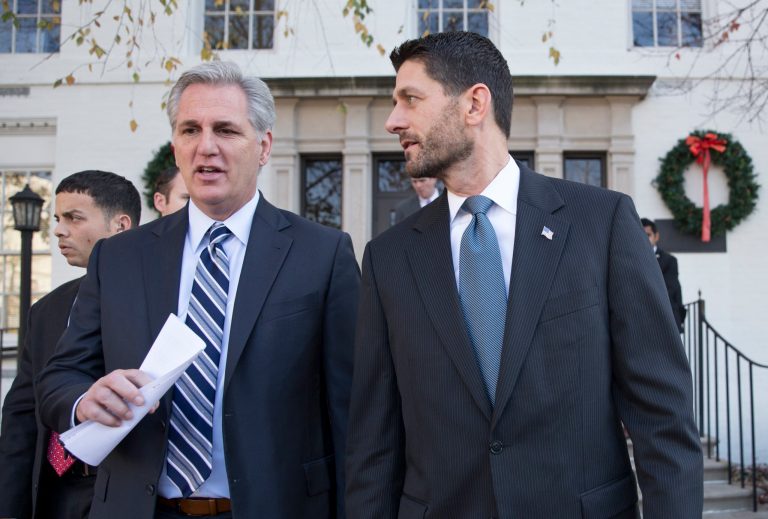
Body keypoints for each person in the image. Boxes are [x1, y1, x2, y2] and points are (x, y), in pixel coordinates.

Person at [345, 31, 703, 518]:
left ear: (475, 104)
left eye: (410, 99)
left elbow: (664, 418)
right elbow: (374, 445)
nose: (393, 121)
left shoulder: (603, 224)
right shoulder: (388, 259)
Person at [38, 61, 360, 519]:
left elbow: (352, 413)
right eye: (190, 130)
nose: (206, 147)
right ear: (176, 145)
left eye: (226, 130)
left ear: (264, 146)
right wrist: (84, 400)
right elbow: (57, 378)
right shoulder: (120, 259)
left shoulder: (322, 255)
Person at [0, 171, 140, 519]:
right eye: (58, 219)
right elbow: (22, 416)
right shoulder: (45, 310)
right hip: (54, 494)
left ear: (121, 225)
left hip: (125, 494)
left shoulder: (155, 302)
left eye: (74, 218)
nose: (59, 230)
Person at [642, 218, 687, 332]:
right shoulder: (628, 259)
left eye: (648, 234)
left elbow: (669, 288)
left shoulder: (669, 260)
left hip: (665, 319)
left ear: (656, 236)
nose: (644, 238)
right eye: (640, 234)